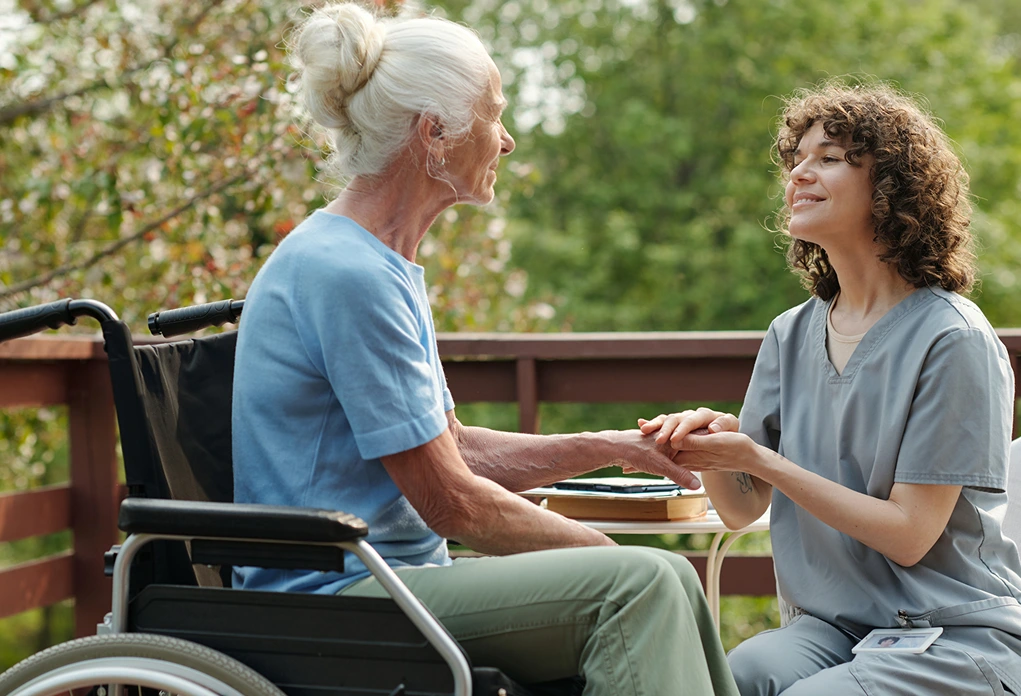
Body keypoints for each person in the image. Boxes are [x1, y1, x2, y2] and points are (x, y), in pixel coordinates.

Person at [230, 4, 738, 695]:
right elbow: (452, 504)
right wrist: (597, 553)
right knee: (638, 583)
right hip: (334, 598)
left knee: (665, 575)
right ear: (433, 134)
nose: (507, 141)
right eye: (494, 113)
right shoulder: (345, 274)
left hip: (397, 579)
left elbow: (451, 451)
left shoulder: (373, 263)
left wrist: (610, 445)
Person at [640, 82, 1021, 695]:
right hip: (830, 629)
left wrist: (762, 458)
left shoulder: (954, 339)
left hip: (947, 634)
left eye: (829, 158)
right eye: (797, 161)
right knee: (723, 679)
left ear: (893, 188)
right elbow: (742, 507)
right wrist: (711, 448)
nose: (799, 175)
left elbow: (908, 533)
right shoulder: (790, 334)